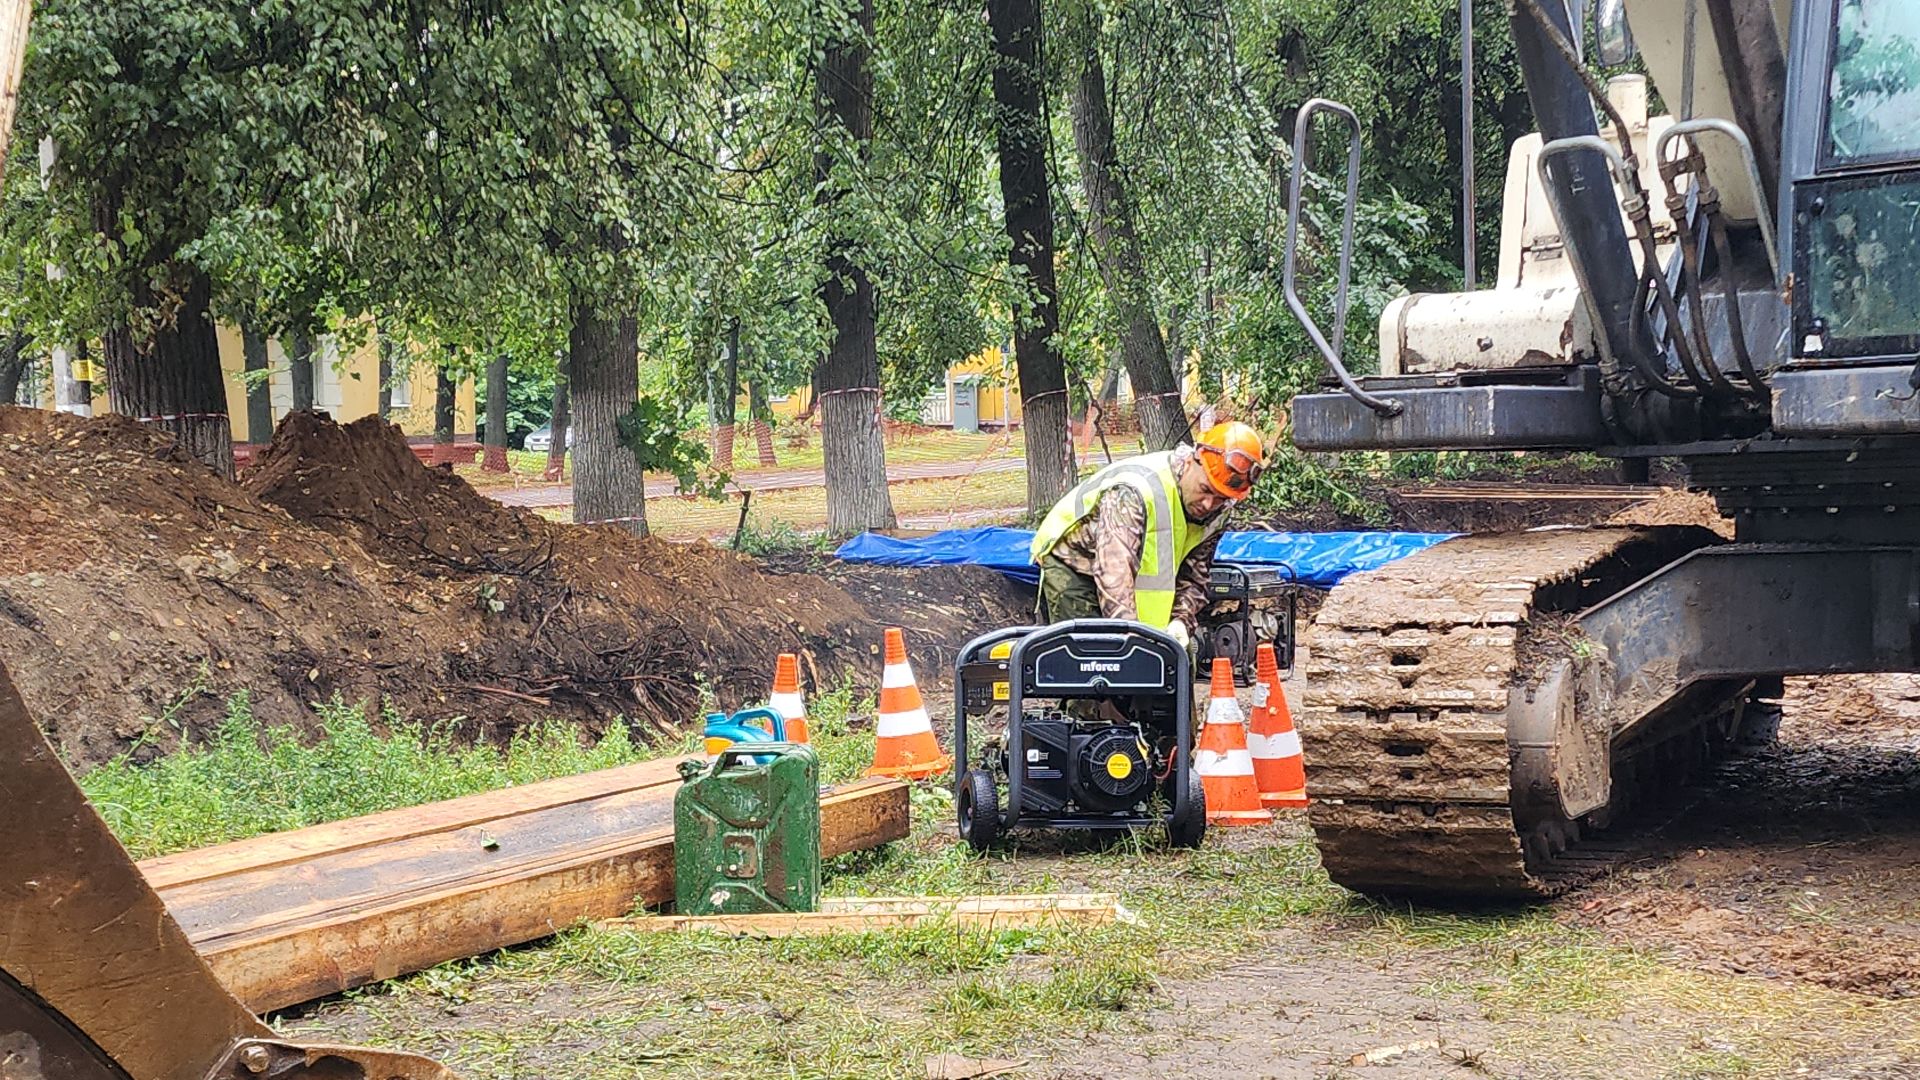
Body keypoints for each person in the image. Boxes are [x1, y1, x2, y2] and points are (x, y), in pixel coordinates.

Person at [1030, 421, 1265, 650]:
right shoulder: (1134, 492)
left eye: (1220, 498)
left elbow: (1195, 576)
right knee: (1094, 657)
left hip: (1132, 586)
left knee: (1174, 661)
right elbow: (1115, 573)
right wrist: (1132, 643)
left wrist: (1181, 621)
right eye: (1205, 489)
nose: (1208, 504)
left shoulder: (1218, 513)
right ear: (1191, 462)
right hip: (1076, 567)